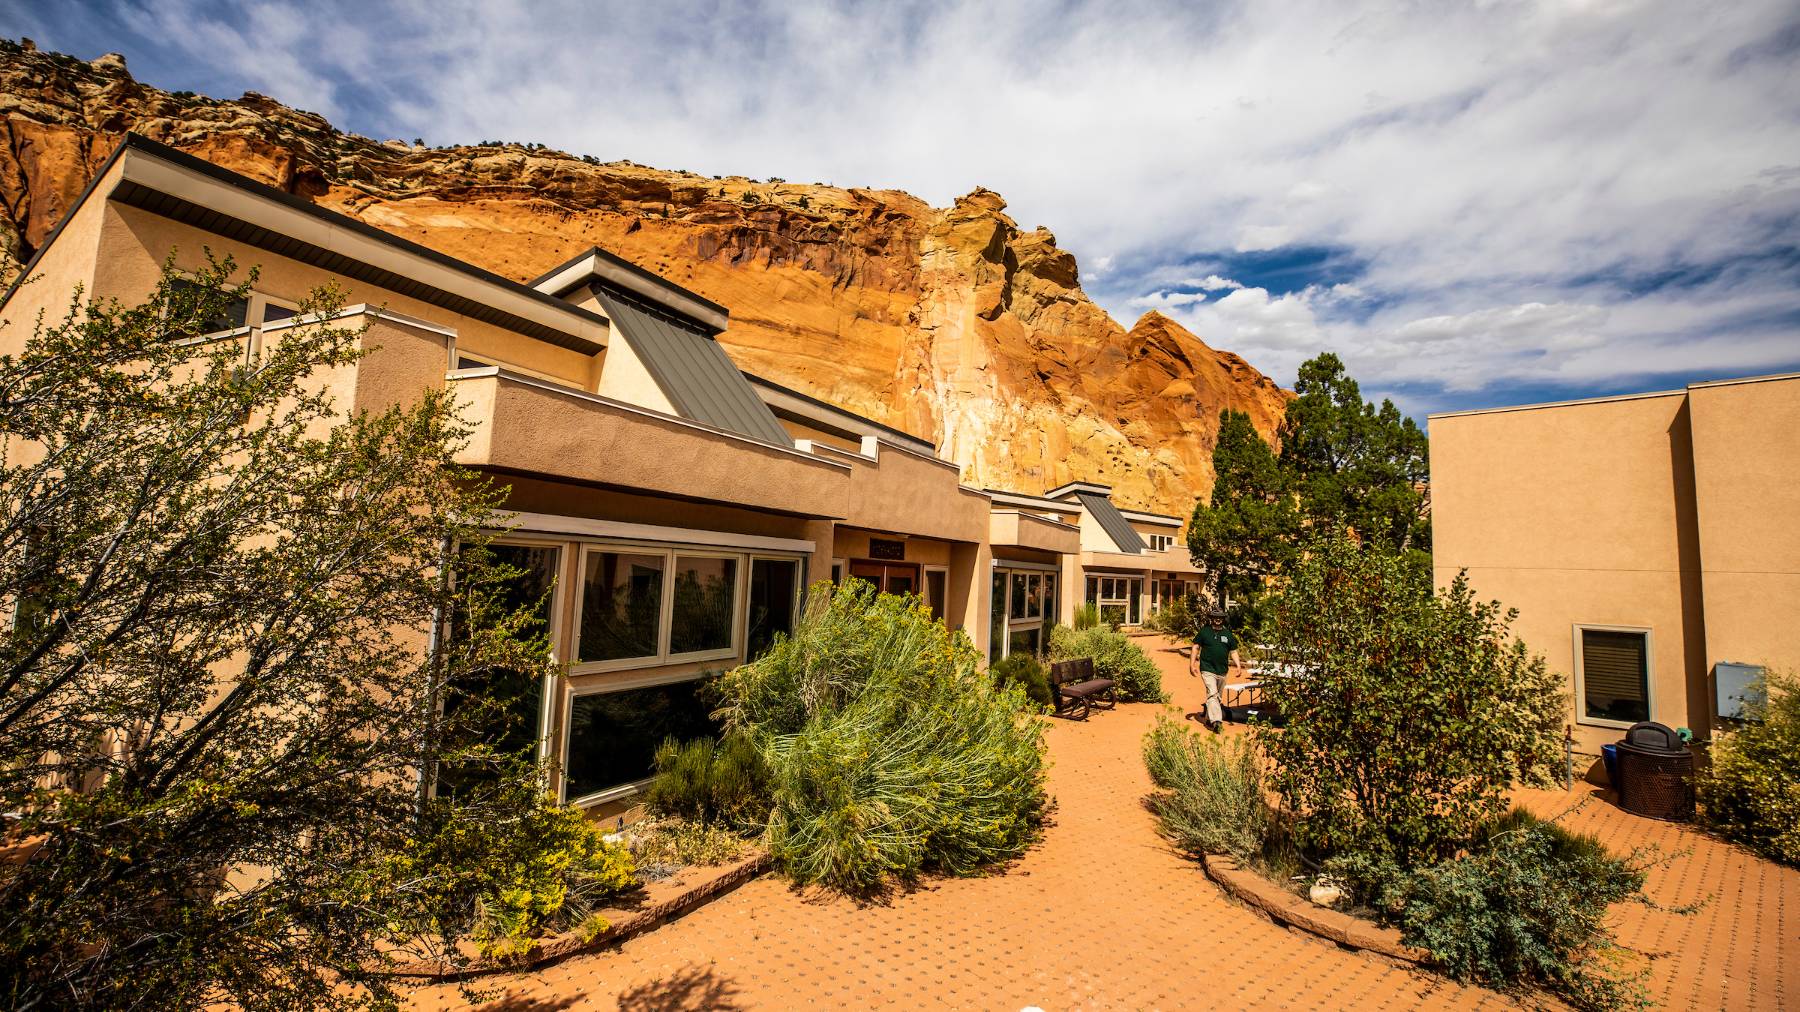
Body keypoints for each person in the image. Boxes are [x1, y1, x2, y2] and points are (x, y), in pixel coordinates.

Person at [1187, 607, 1240, 732]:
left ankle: (1207, 718)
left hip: (1222, 671)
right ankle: (1216, 721)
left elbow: (1233, 651)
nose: (1217, 619)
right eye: (1215, 617)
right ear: (1211, 619)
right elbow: (1195, 647)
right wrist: (1192, 664)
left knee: (1216, 697)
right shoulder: (1204, 632)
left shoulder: (1227, 634)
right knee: (1212, 693)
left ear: (1223, 619)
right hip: (1207, 669)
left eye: (1220, 617)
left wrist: (1238, 665)